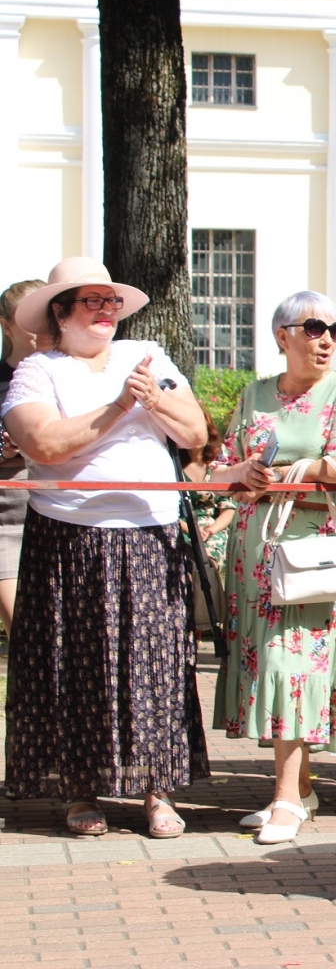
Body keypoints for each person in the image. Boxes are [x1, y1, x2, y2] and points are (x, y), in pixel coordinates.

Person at [1, 257, 209, 838]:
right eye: (90, 301)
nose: (104, 311)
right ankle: (79, 791)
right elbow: (45, 443)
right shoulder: (39, 371)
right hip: (69, 535)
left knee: (154, 663)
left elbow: (194, 435)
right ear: (60, 313)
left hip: (148, 531)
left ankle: (157, 792)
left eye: (110, 301)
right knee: (74, 662)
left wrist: (155, 399)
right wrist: (121, 405)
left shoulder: (147, 357)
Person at [212, 292, 336, 844]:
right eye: (313, 327)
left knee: (289, 666)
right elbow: (216, 471)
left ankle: (285, 800)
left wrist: (290, 470)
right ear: (283, 336)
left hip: (310, 551)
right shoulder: (254, 393)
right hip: (254, 551)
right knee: (272, 668)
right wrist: (244, 474)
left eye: (335, 327)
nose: (326, 338)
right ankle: (300, 789)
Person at [0, 278, 46, 634]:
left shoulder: (66, 375)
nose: (40, 325)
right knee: (26, 634)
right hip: (7, 523)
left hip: (62, 516)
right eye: (28, 317)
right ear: (6, 325)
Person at [181, 410, 236, 574]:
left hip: (213, 530)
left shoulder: (217, 468)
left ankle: (210, 597)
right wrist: (190, 529)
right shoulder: (172, 467)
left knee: (207, 565)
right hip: (180, 528)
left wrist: (211, 530)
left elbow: (229, 509)